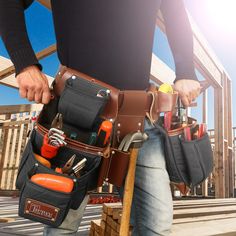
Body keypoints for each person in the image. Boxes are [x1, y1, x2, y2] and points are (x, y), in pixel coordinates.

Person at [0, 0, 200, 235]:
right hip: (77, 110)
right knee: (61, 224)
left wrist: (186, 69)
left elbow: (175, 12)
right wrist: (25, 65)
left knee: (156, 225)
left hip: (137, 115)